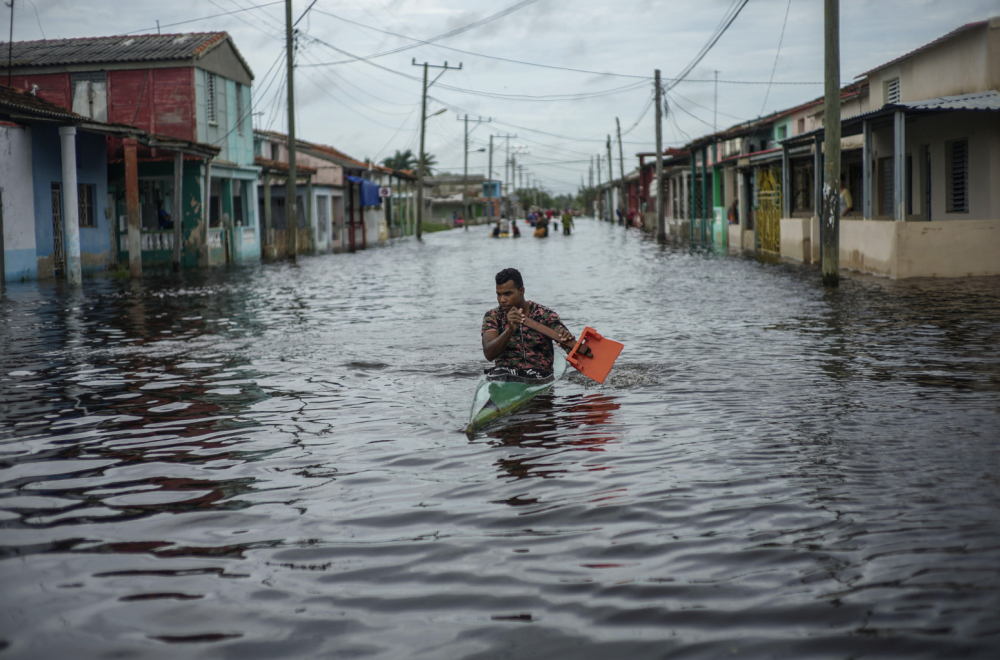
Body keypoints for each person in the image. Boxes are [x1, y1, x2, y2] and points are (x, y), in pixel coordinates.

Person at [481, 268, 574, 378]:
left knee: (533, 375)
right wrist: (509, 330)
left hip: (538, 373)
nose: (502, 300)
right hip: (505, 374)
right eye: (499, 295)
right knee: (497, 374)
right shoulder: (493, 317)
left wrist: (567, 340)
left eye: (507, 294)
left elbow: (569, 346)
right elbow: (489, 354)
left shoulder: (545, 314)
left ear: (521, 291)